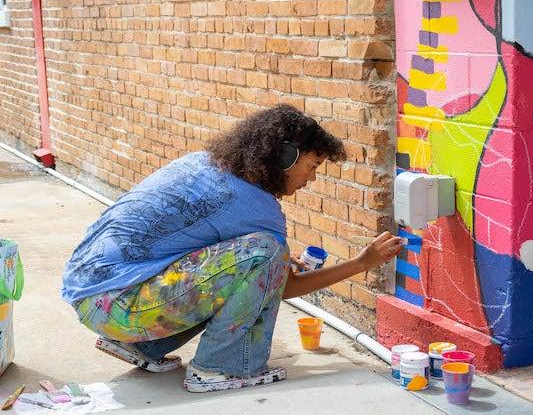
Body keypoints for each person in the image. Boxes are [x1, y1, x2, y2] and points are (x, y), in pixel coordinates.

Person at [61, 104, 403, 392]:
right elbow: (285, 287)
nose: (312, 179)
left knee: (260, 259)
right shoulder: (256, 207)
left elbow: (207, 257)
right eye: (312, 167)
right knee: (265, 252)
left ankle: (142, 346)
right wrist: (361, 263)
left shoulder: (206, 166)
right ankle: (220, 368)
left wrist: (270, 269)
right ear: (285, 157)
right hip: (120, 307)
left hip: (94, 296)